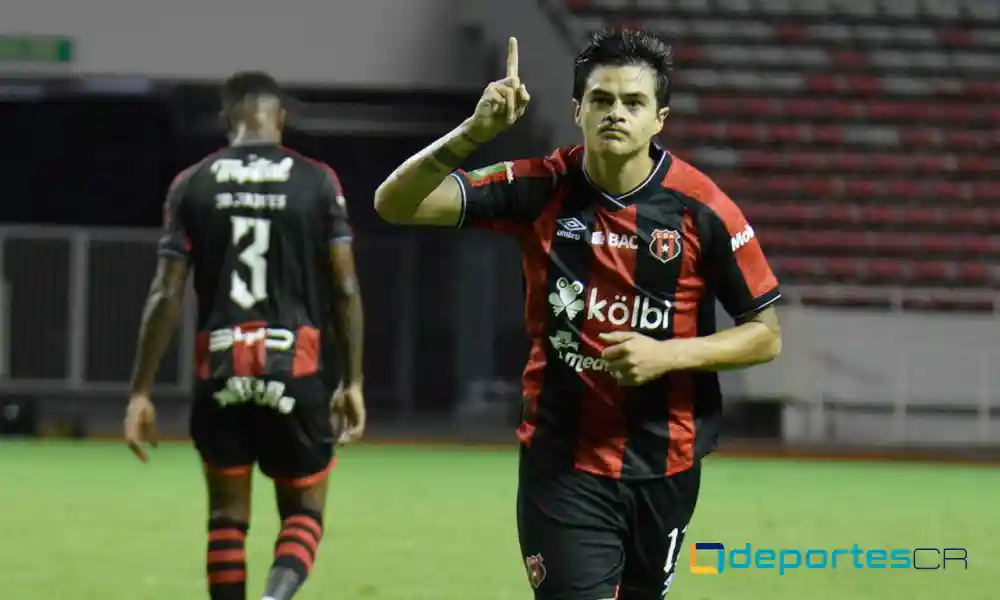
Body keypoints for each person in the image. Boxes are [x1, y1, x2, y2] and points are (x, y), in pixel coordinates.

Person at [374, 30, 782, 599]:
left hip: (665, 463)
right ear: (578, 111)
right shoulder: (541, 186)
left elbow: (765, 336)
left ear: (659, 118)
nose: (617, 113)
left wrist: (667, 355)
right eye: (602, 100)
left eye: (634, 102)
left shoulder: (702, 209)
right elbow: (395, 204)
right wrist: (476, 132)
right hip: (562, 460)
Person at [124, 71, 366, 600]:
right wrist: (353, 380)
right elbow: (345, 287)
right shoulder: (318, 181)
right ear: (278, 119)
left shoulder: (193, 182)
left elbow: (166, 293)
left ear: (227, 120)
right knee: (304, 511)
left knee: (226, 518)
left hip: (221, 367)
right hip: (295, 369)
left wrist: (140, 391)